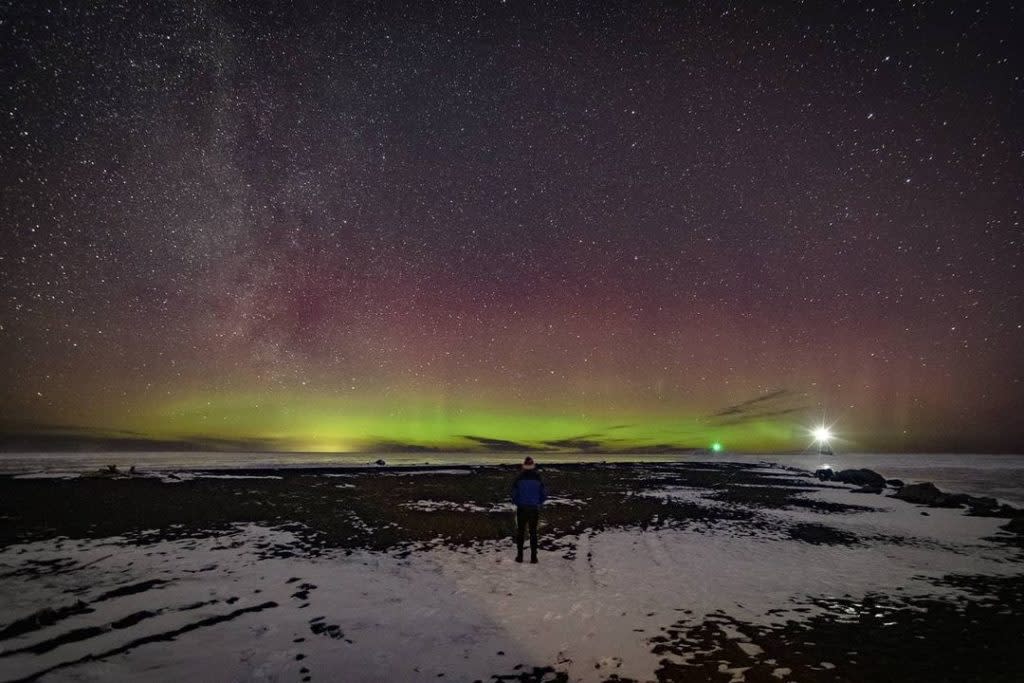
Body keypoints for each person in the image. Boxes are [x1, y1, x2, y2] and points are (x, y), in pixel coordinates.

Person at [510, 456, 546, 563]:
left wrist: (518, 502)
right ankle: (533, 558)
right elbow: (544, 494)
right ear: (533, 466)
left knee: (520, 532)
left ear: (524, 466)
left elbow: (513, 494)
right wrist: (538, 502)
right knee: (533, 533)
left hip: (522, 508)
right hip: (533, 509)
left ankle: (520, 557)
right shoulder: (538, 478)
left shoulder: (519, 478)